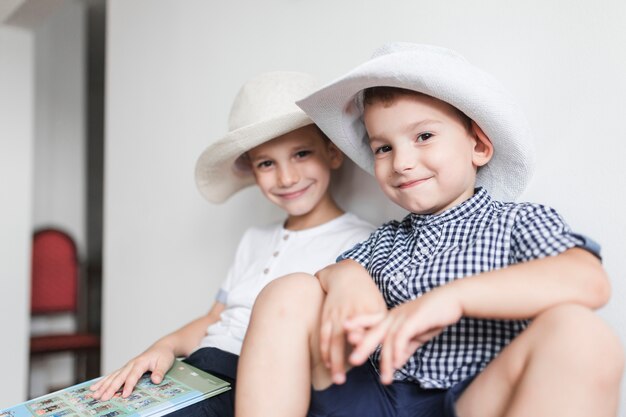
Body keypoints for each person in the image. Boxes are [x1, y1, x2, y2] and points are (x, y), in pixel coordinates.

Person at [235, 44, 624, 417]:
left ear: (479, 147)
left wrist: (454, 298)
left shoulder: (516, 222)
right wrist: (348, 279)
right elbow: (328, 276)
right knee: (290, 289)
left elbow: (589, 281)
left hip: (471, 399)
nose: (401, 162)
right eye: (383, 148)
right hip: (375, 396)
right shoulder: (385, 240)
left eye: (424, 136)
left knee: (580, 333)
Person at [89, 71, 374, 416]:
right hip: (197, 367)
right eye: (267, 163)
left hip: (257, 381)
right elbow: (216, 318)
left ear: (332, 152)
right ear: (252, 172)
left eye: (301, 154)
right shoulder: (254, 239)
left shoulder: (360, 242)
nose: (286, 177)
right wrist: (164, 345)